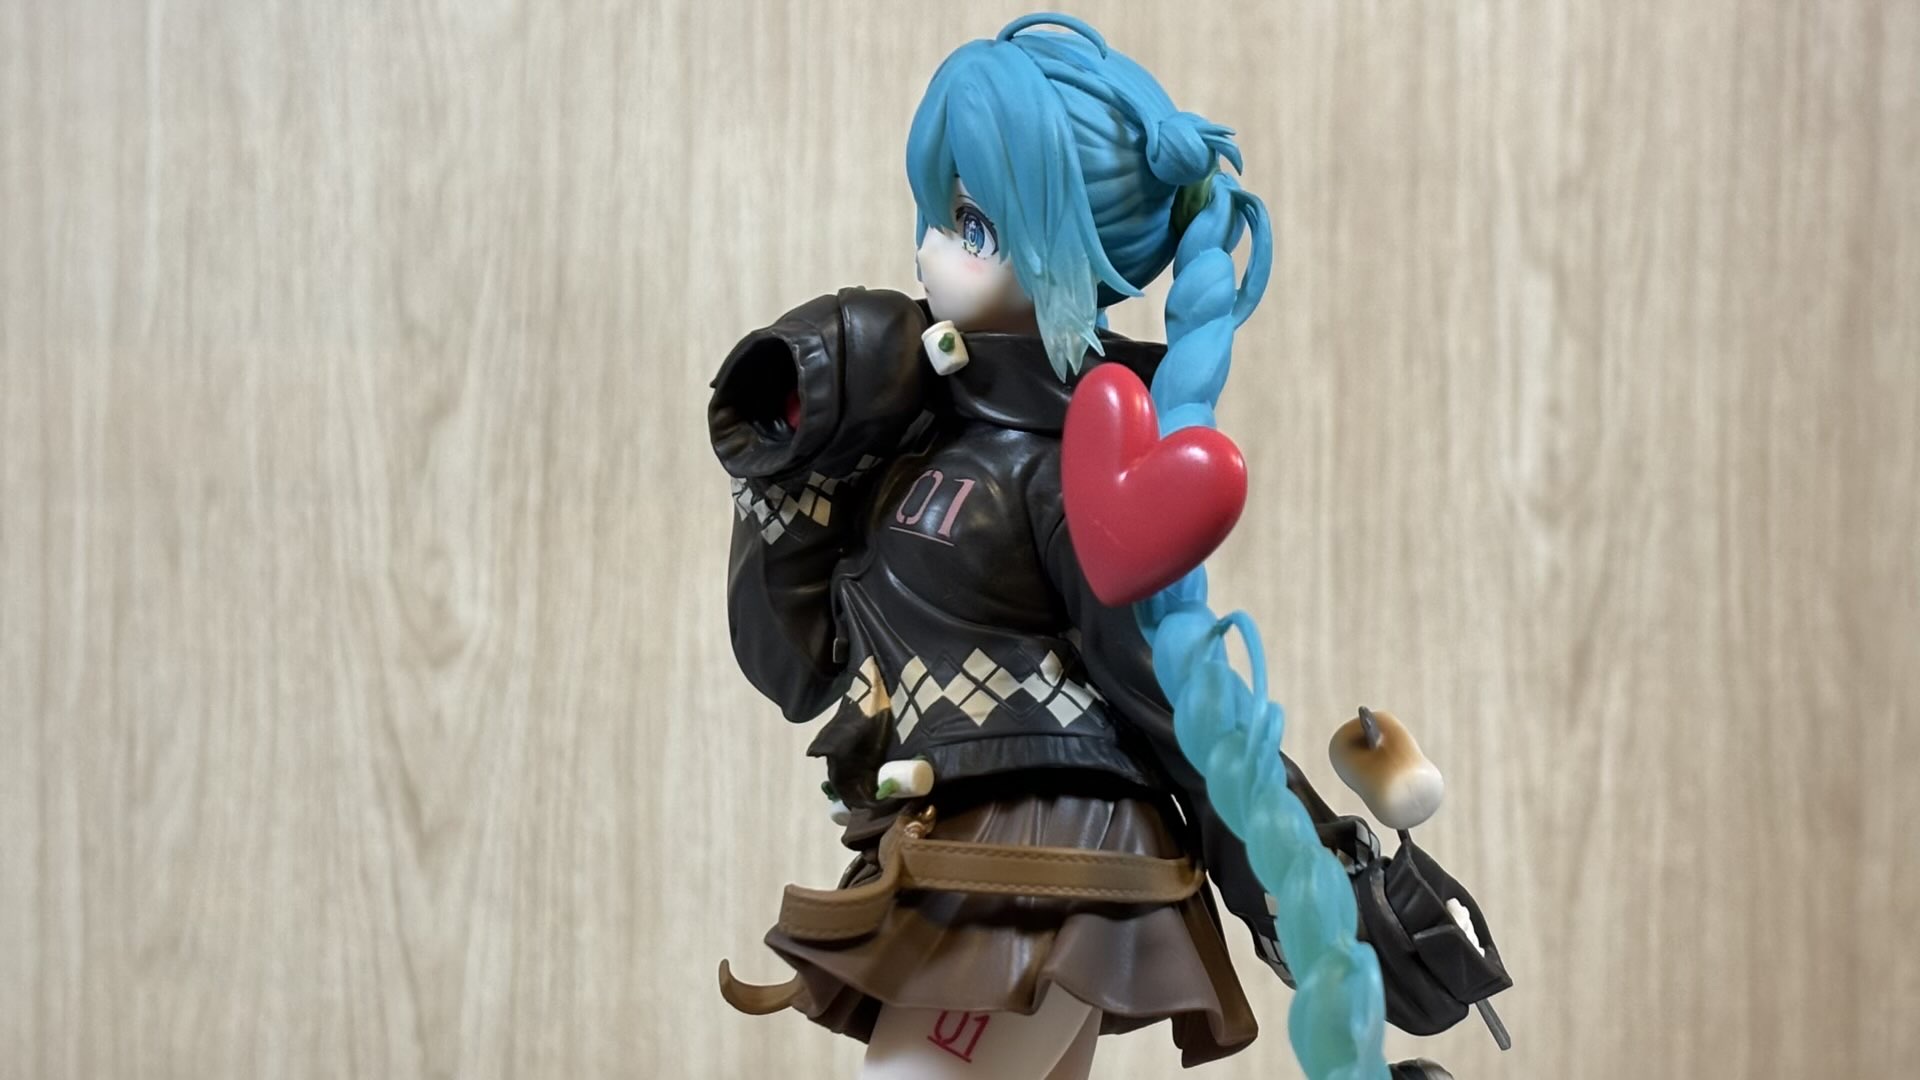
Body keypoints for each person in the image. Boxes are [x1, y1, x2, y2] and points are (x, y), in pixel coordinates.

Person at [709, 15, 1507, 1079]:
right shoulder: (912, 445)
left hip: (1044, 864)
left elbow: (1173, 704)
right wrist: (787, 473)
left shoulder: (1066, 471)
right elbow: (797, 672)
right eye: (935, 211)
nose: (927, 248)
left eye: (970, 223)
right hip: (956, 854)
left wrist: (1317, 886)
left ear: (1069, 256)